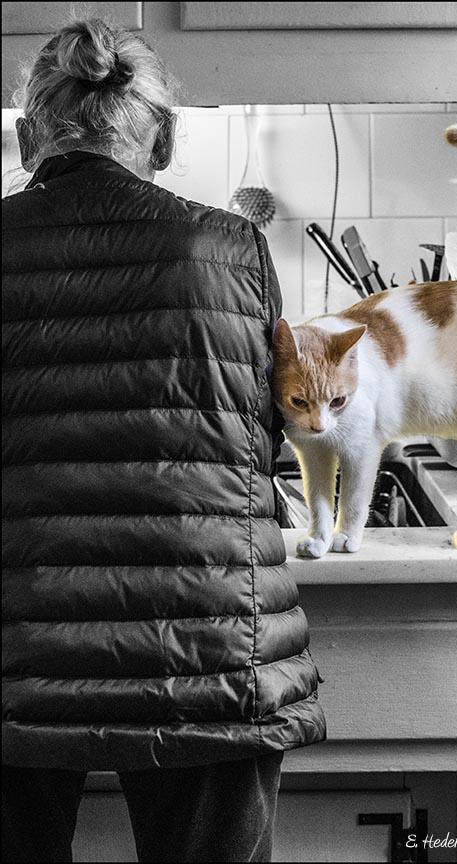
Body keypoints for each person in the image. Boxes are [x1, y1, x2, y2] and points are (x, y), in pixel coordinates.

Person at [2, 17, 326, 864]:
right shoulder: (232, 248)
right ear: (169, 138)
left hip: (15, 646)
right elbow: (258, 444)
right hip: (212, 640)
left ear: (29, 132)